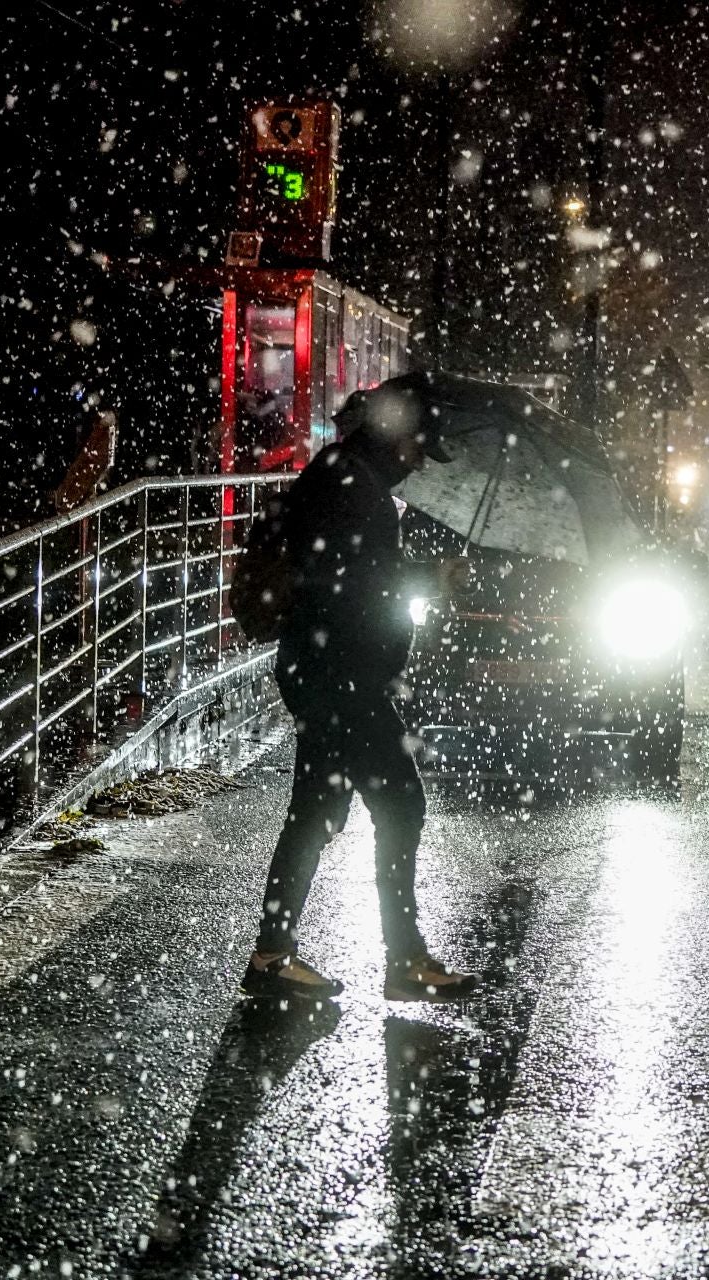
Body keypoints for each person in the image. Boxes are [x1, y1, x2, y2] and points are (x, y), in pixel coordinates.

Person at [240, 383, 479, 1004]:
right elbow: (352, 584)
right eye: (419, 449)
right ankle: (402, 960)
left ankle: (274, 956)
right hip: (337, 676)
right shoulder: (354, 487)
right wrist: (429, 577)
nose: (420, 463)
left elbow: (350, 576)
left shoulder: (343, 475)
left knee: (316, 811)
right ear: (395, 438)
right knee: (399, 802)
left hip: (326, 672)